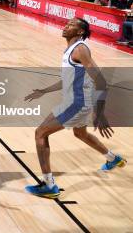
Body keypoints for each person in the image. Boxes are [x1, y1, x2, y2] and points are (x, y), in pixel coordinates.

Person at [24, 18, 126, 198]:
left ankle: (49, 186)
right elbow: (68, 79)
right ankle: (113, 159)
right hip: (76, 101)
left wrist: (100, 113)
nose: (66, 26)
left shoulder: (80, 49)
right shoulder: (71, 50)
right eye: (67, 23)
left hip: (76, 103)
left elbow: (101, 81)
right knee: (80, 134)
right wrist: (44, 91)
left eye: (71, 25)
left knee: (40, 133)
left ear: (80, 32)